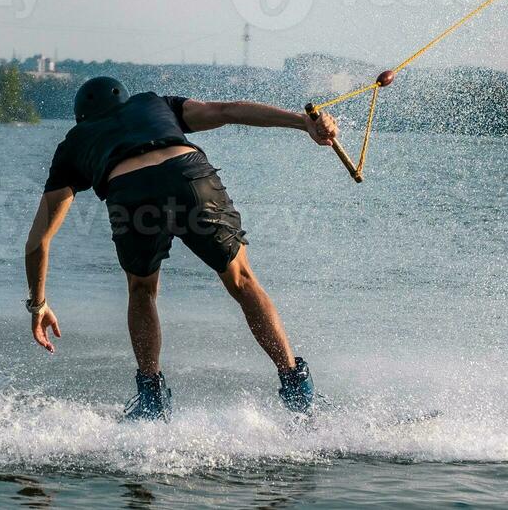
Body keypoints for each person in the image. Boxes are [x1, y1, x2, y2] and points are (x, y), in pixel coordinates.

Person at [22, 76, 341, 420]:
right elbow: (227, 110)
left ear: (81, 117)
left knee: (141, 290)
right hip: (189, 177)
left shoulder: (75, 142)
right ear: (126, 101)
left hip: (130, 191)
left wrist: (38, 304)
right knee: (242, 280)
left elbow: (39, 240)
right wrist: (302, 122)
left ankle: (151, 402)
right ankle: (297, 389)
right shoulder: (154, 102)